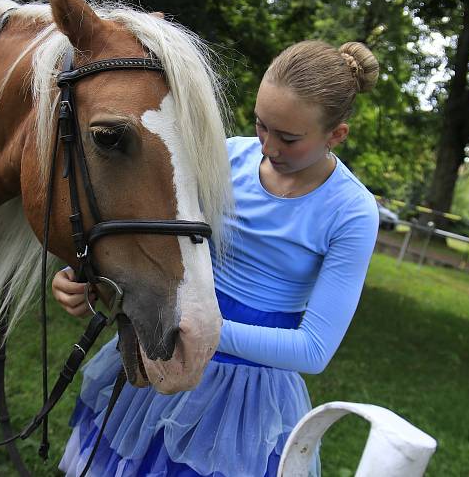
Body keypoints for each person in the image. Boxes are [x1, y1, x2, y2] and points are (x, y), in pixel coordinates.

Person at [56, 39, 381, 477]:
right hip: (163, 357)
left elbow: (314, 349)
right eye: (261, 126)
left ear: (336, 135)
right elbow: (159, 248)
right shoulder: (227, 157)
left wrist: (195, 329)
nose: (268, 147)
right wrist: (88, 282)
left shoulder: (351, 211)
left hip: (243, 398)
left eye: (289, 138)